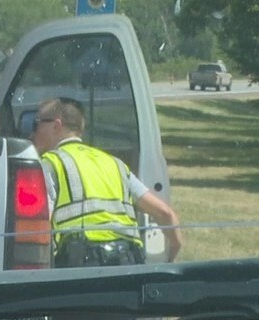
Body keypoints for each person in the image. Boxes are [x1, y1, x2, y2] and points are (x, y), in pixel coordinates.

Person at [30, 97, 183, 268]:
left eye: (36, 124)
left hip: (82, 263)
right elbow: (164, 213)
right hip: (129, 261)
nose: (32, 132)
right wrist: (172, 254)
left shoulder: (50, 163)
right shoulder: (115, 164)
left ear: (56, 125)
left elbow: (38, 226)